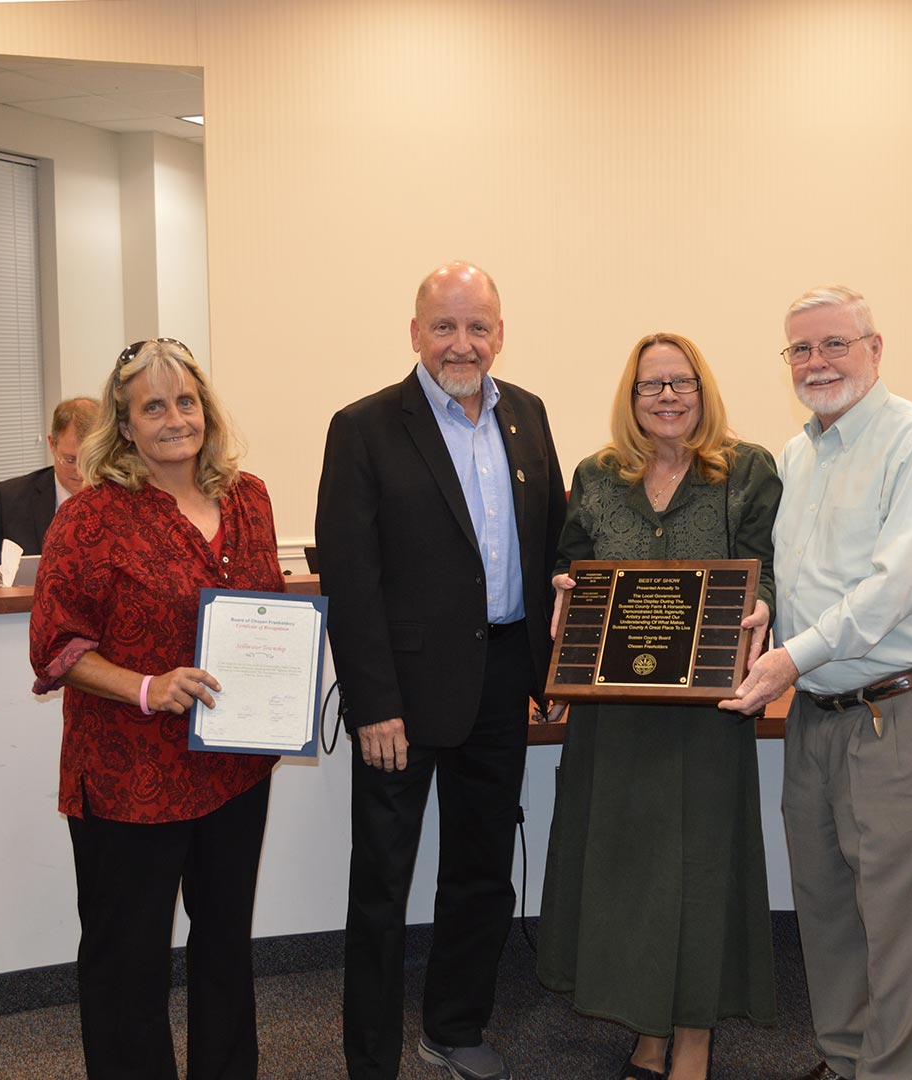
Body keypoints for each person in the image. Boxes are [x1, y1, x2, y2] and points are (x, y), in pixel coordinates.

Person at [719, 286, 912, 1080]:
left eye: (835, 343)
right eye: (800, 349)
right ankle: (840, 1059)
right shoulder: (798, 455)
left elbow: (896, 584)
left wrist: (791, 658)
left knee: (899, 922)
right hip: (817, 715)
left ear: (876, 347)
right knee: (826, 907)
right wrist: (762, 617)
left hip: (901, 712)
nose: (817, 362)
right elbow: (802, 580)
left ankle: (890, 1074)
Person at [316, 261, 566, 1080]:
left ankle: (455, 1027)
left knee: (481, 870)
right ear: (416, 332)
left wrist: (552, 672)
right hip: (403, 696)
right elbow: (350, 582)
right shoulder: (363, 427)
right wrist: (373, 704)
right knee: (382, 884)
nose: (463, 343)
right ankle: (371, 1059)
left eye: (479, 326)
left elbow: (550, 549)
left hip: (501, 680)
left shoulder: (525, 415)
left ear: (500, 332)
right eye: (446, 326)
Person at [29, 339, 286, 1080]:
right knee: (127, 964)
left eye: (185, 400)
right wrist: (148, 687)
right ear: (126, 423)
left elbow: (264, 612)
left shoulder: (251, 496)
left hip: (234, 767)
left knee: (225, 944)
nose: (175, 418)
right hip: (126, 777)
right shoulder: (91, 518)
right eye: (153, 406)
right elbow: (55, 647)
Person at [537, 332, 782, 1080]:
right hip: (615, 716)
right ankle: (645, 1026)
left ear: (703, 393)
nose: (667, 396)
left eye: (681, 383)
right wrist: (563, 593)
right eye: (652, 385)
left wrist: (764, 606)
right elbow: (568, 563)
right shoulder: (597, 474)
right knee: (622, 872)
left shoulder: (745, 470)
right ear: (632, 396)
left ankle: (694, 1034)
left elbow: (768, 565)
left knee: (700, 873)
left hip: (706, 713)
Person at [0, 396, 97, 578]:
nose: (80, 472)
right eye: (70, 460)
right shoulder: (10, 499)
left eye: (90, 460)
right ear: (52, 444)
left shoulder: (121, 500)